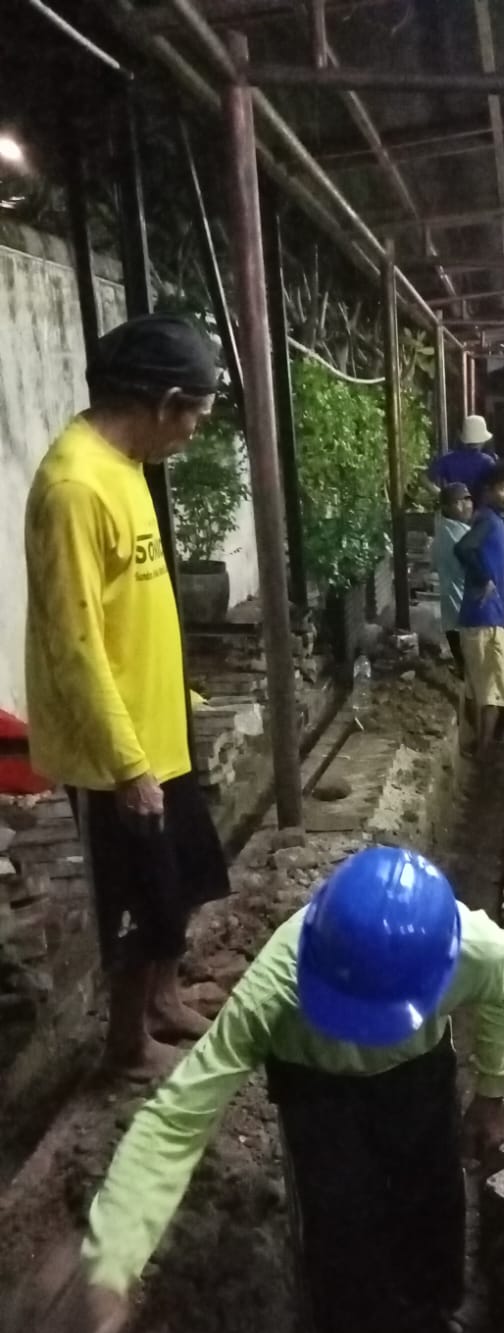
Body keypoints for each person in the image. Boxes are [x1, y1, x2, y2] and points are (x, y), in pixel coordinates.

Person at [77, 847, 504, 1333]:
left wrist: (491, 1095)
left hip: (416, 1072)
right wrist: (115, 1255)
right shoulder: (275, 988)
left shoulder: (477, 949)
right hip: (317, 1086)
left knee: (430, 1188)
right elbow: (179, 1115)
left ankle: (428, 1309)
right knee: (339, 1212)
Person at [23, 313, 230, 1079]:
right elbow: (74, 645)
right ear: (163, 400)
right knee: (139, 897)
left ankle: (164, 1001)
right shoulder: (76, 487)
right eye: (196, 418)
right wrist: (127, 766)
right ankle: (125, 1044)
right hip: (117, 750)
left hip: (157, 724)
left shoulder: (126, 465)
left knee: (183, 878)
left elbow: (130, 604)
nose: (194, 434)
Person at [455, 462, 504, 761]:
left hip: (490, 616)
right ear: (489, 492)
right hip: (483, 618)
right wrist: (484, 579)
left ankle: (483, 746)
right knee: (488, 688)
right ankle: (483, 750)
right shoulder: (490, 521)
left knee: (489, 686)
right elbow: (463, 549)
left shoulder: (494, 520)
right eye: (503, 489)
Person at [428, 416, 504, 567]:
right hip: (481, 510)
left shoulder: (447, 460)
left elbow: (424, 478)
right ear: (482, 440)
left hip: (455, 510)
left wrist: (440, 494)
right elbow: (493, 486)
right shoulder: (487, 461)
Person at [430, 481, 472, 676]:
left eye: (468, 500)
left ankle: (462, 670)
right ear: (446, 508)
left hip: (452, 603)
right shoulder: (460, 535)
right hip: (468, 606)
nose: (466, 505)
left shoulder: (444, 531)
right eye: (459, 502)